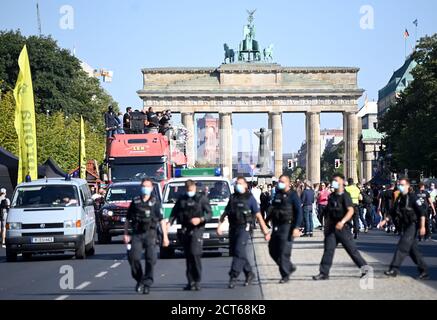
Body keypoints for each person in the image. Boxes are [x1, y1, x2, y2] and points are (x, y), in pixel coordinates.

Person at [313, 173, 369, 280]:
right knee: (328, 250)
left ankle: (365, 270)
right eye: (333, 180)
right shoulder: (332, 196)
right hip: (332, 228)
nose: (334, 183)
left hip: (343, 228)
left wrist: (342, 222)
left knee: (352, 250)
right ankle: (323, 273)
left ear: (342, 182)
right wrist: (326, 227)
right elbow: (328, 212)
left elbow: (351, 210)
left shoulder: (345, 196)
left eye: (336, 180)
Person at [217, 177, 270, 289]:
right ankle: (249, 273)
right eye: (237, 183)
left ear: (246, 185)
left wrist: (265, 231)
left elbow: (258, 215)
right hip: (233, 228)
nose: (238, 185)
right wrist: (219, 226)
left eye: (240, 183)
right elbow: (225, 213)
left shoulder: (250, 199)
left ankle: (233, 276)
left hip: (244, 228)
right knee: (238, 252)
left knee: (238, 250)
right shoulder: (232, 197)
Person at [123, 178, 169, 294]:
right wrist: (126, 234)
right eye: (144, 186)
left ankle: (147, 283)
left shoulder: (155, 202)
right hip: (137, 234)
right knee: (133, 258)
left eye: (148, 186)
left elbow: (162, 220)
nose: (145, 188)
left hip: (150, 233)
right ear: (141, 187)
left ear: (152, 188)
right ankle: (139, 279)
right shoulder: (136, 201)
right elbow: (128, 219)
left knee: (150, 259)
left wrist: (165, 237)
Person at [381, 178, 429, 279]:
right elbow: (393, 211)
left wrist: (423, 226)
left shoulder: (413, 197)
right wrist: (385, 220)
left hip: (413, 225)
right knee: (413, 250)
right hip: (405, 225)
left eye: (402, 184)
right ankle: (424, 271)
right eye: (399, 184)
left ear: (408, 185)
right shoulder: (400, 198)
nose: (400, 186)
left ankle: (394, 269)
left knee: (402, 246)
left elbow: (422, 213)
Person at [170, 180, 212, 291]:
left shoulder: (201, 198)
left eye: (191, 189)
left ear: (194, 187)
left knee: (195, 254)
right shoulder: (182, 199)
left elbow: (209, 213)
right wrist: (168, 223)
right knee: (188, 256)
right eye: (187, 189)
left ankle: (197, 280)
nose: (189, 191)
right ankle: (190, 282)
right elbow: (174, 213)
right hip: (185, 230)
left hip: (197, 229)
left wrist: (201, 219)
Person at [265, 175, 303, 283]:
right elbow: (272, 210)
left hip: (288, 226)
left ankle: (285, 275)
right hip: (277, 226)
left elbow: (299, 212)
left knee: (283, 251)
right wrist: (265, 221)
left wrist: (296, 228)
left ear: (288, 183)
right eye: (279, 181)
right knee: (272, 249)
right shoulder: (277, 194)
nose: (279, 183)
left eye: (282, 182)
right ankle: (288, 266)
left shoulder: (293, 195)